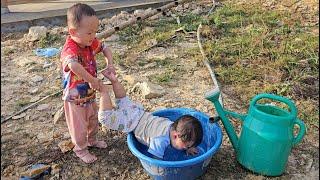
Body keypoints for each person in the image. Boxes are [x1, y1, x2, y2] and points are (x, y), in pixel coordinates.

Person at [98, 67, 203, 159]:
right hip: (132, 123)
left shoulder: (172, 125)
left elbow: (184, 137)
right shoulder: (160, 141)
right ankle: (103, 91)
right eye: (187, 146)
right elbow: (156, 161)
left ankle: (114, 81)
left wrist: (187, 147)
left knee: (123, 99)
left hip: (138, 112)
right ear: (175, 136)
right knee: (105, 118)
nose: (188, 147)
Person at [60, 3, 115, 163]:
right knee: (79, 126)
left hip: (89, 93)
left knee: (92, 118)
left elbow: (106, 48)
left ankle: (92, 140)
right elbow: (73, 65)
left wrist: (110, 63)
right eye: (89, 32)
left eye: (95, 31)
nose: (93, 36)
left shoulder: (89, 42)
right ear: (73, 32)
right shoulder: (70, 48)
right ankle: (80, 148)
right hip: (74, 97)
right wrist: (91, 79)